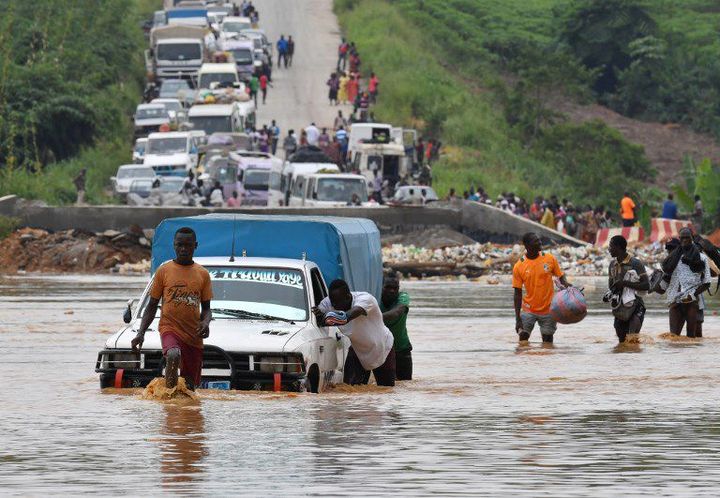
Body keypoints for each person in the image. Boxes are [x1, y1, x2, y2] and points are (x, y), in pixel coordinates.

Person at [131, 227, 212, 390]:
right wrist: (140, 333)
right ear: (174, 245)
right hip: (170, 328)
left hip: (193, 335)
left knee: (190, 387)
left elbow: (207, 309)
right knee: (173, 354)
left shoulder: (202, 274)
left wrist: (205, 322)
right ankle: (168, 397)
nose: (183, 249)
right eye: (179, 245)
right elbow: (152, 305)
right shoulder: (164, 271)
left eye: (188, 245)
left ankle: (181, 412)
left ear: (195, 246)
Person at [314, 279, 395, 386]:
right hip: (358, 350)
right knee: (349, 390)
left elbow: (345, 318)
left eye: (336, 302)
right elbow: (317, 318)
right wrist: (320, 316)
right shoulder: (328, 303)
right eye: (331, 301)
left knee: (386, 391)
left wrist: (324, 317)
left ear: (348, 297)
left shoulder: (365, 300)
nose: (333, 305)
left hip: (383, 348)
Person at [512, 232, 572, 344]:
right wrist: (517, 318)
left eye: (539, 240)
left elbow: (560, 277)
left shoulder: (550, 259)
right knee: (523, 339)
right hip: (528, 309)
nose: (540, 242)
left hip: (549, 309)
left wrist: (567, 284)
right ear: (527, 245)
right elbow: (517, 293)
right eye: (536, 241)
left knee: (548, 342)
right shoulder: (519, 266)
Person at [665, 227, 711, 337]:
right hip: (674, 299)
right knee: (673, 337)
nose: (685, 240)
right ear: (679, 239)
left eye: (687, 238)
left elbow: (707, 282)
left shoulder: (701, 258)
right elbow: (666, 275)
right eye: (682, 238)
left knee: (691, 336)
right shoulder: (673, 257)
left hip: (691, 301)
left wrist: (692, 295)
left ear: (692, 239)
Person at [606, 235, 649, 344]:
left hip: (636, 307)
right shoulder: (612, 265)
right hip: (620, 308)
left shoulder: (635, 263)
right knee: (621, 343)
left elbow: (646, 285)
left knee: (632, 341)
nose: (609, 249)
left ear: (618, 247)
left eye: (611, 246)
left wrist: (625, 283)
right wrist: (609, 294)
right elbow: (611, 286)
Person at [380, 274, 412, 380]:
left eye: (395, 288)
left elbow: (397, 312)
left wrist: (374, 318)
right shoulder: (374, 299)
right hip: (381, 350)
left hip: (401, 349)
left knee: (405, 385)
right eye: (388, 287)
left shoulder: (403, 297)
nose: (392, 291)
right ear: (381, 286)